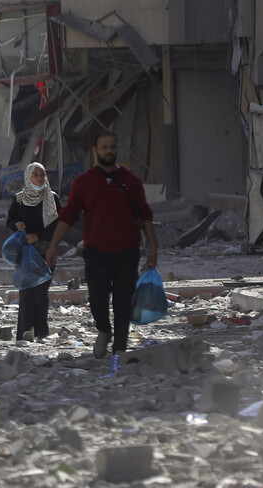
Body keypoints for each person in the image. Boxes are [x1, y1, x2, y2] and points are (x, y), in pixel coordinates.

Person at [46, 130, 158, 365]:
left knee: (123, 302)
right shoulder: (84, 182)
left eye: (113, 146)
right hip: (96, 252)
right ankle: (104, 330)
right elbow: (68, 216)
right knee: (97, 299)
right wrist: (53, 246)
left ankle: (119, 349)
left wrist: (154, 248)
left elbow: (145, 216)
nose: (109, 151)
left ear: (117, 149)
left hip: (127, 251)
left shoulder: (131, 181)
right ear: (96, 151)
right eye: (104, 147)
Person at [6, 162, 60, 341]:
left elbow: (58, 226)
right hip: (26, 254)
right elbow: (10, 221)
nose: (39, 178)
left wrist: (39, 236)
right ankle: (24, 333)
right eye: (35, 174)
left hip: (46, 252)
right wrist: (17, 225)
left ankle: (41, 333)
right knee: (27, 293)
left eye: (42, 174)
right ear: (28, 177)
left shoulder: (52, 198)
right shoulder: (19, 199)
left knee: (41, 294)